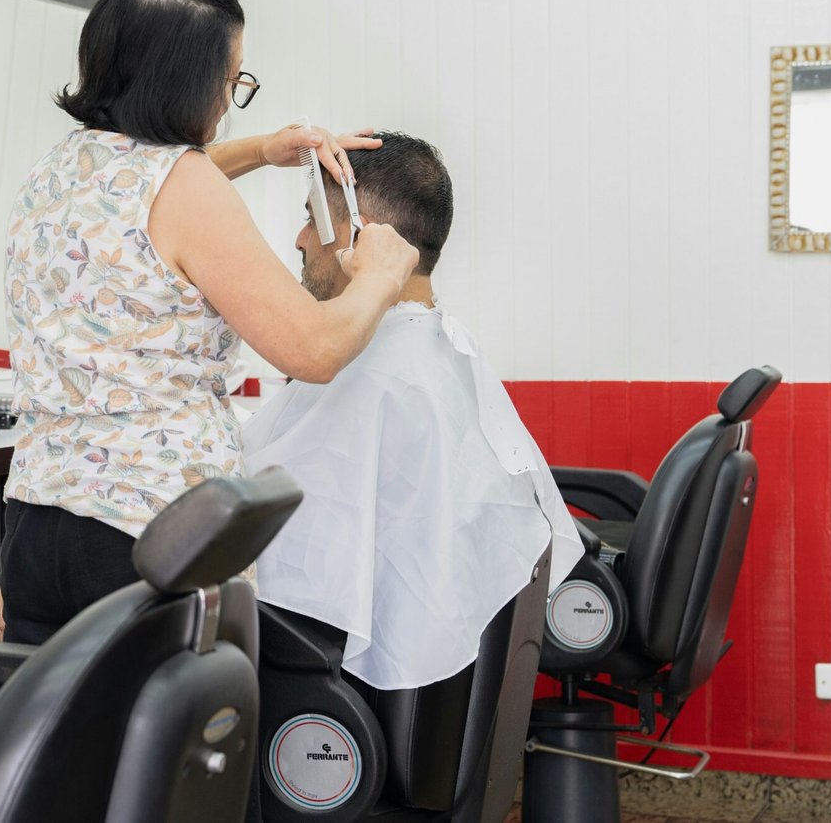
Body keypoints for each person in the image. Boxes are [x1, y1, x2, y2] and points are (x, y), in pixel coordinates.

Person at [0, 0, 420, 647]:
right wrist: (380, 275)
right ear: (184, 81)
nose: (228, 101)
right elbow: (314, 349)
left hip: (36, 530)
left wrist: (264, 148)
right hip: (152, 540)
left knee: (60, 750)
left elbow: (145, 193)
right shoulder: (188, 189)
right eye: (231, 80)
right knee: (160, 752)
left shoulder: (58, 173)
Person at [244, 132, 586, 690]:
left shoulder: (374, 373)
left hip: (328, 694)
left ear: (358, 233)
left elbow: (273, 554)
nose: (301, 240)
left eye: (311, 218)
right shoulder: (439, 347)